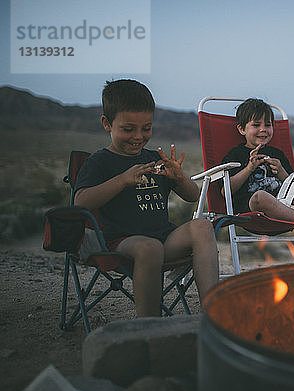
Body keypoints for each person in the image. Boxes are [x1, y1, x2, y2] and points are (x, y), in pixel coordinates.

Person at [74, 79, 218, 317]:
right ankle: (149, 326)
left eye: (146, 128)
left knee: (202, 227)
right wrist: (121, 180)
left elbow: (192, 196)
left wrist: (179, 178)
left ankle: (213, 314)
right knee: (149, 248)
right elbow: (81, 202)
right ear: (106, 124)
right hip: (121, 242)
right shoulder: (99, 162)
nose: (138, 136)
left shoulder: (155, 159)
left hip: (164, 239)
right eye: (128, 129)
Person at [221, 98, 294, 223]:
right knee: (260, 196)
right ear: (242, 129)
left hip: (285, 206)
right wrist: (248, 169)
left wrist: (281, 172)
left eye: (268, 125)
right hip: (253, 211)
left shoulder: (277, 154)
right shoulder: (235, 154)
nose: (263, 129)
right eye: (256, 125)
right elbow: (226, 191)